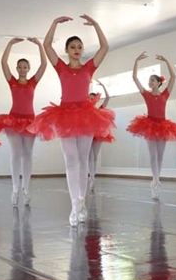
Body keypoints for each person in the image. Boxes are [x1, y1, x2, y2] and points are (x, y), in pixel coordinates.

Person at [28, 15, 114, 226]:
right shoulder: (61, 68)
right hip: (65, 115)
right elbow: (47, 45)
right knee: (71, 159)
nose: (76, 49)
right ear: (67, 50)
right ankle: (74, 203)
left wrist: (96, 25)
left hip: (86, 115)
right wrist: (54, 23)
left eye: (79, 46)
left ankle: (81, 201)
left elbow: (105, 47)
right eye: (72, 46)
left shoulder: (89, 68)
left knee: (83, 159)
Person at [0, 36, 48, 206]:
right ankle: (15, 188)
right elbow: (3, 63)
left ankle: (26, 189)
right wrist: (9, 45)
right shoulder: (12, 81)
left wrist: (39, 45)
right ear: (17, 68)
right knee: (16, 154)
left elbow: (44, 65)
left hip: (30, 121)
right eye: (20, 67)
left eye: (25, 67)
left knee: (28, 154)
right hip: (13, 120)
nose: (22, 69)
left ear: (28, 69)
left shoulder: (33, 82)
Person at [127, 52, 176, 199]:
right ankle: (156, 181)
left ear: (159, 83)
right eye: (149, 80)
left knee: (160, 156)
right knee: (153, 156)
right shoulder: (147, 95)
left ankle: (156, 179)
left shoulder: (165, 94)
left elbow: (173, 78)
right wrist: (136, 61)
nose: (150, 82)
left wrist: (166, 60)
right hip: (150, 125)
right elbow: (134, 78)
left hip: (163, 126)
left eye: (152, 80)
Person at [88, 80, 116, 193]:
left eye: (91, 98)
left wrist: (103, 86)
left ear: (96, 99)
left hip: (98, 134)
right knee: (90, 156)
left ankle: (93, 177)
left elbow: (108, 97)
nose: (89, 100)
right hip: (88, 133)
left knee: (94, 156)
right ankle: (91, 177)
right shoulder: (85, 110)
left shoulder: (100, 108)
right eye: (88, 98)